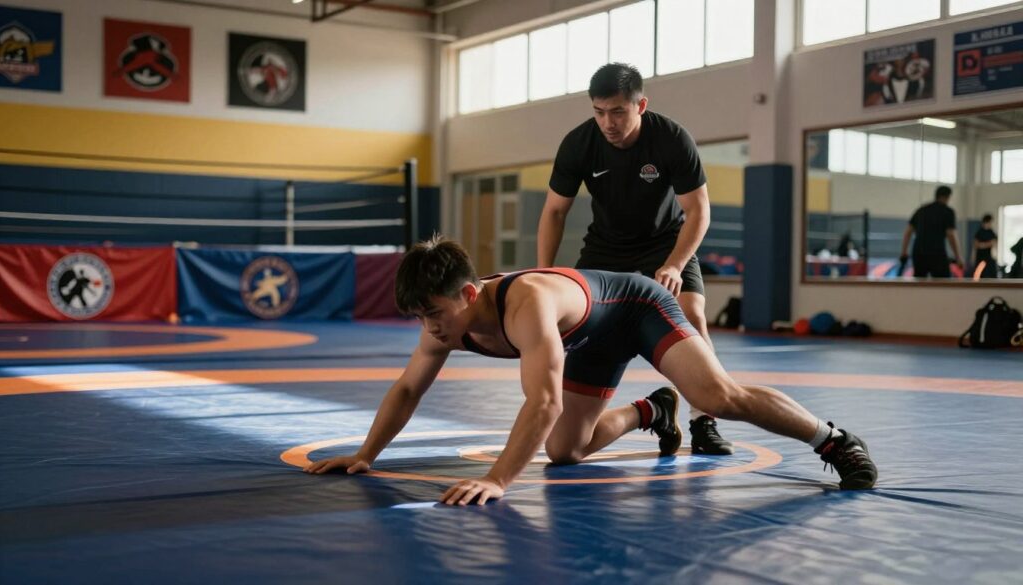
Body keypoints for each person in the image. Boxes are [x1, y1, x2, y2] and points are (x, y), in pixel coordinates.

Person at [304, 236, 878, 505]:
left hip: (636, 307)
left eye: (433, 313)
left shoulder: (525, 306)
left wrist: (498, 480)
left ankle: (833, 441)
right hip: (588, 336)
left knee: (718, 395)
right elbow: (407, 389)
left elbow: (543, 400)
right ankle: (653, 409)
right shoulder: (444, 327)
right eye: (420, 317)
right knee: (565, 453)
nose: (429, 328)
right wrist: (366, 455)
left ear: (470, 294)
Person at [536, 62, 733, 456]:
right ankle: (651, 410)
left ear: (641, 105)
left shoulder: (671, 139)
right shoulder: (579, 143)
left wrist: (676, 264)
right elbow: (554, 212)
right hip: (605, 249)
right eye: (599, 111)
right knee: (571, 322)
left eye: (618, 112)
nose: (608, 122)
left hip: (666, 243)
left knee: (691, 314)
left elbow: (699, 210)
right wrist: (545, 274)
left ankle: (703, 421)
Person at [899, 186, 964, 278]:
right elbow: (951, 235)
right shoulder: (948, 212)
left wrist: (904, 251)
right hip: (937, 253)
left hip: (918, 252)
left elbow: (908, 231)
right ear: (947, 197)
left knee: (919, 282)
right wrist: (958, 257)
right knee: (943, 284)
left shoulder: (921, 210)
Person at [971, 214, 998, 279]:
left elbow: (993, 243)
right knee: (978, 276)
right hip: (980, 258)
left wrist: (982, 245)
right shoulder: (979, 232)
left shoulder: (991, 232)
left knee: (991, 275)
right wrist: (986, 244)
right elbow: (976, 245)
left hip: (989, 258)